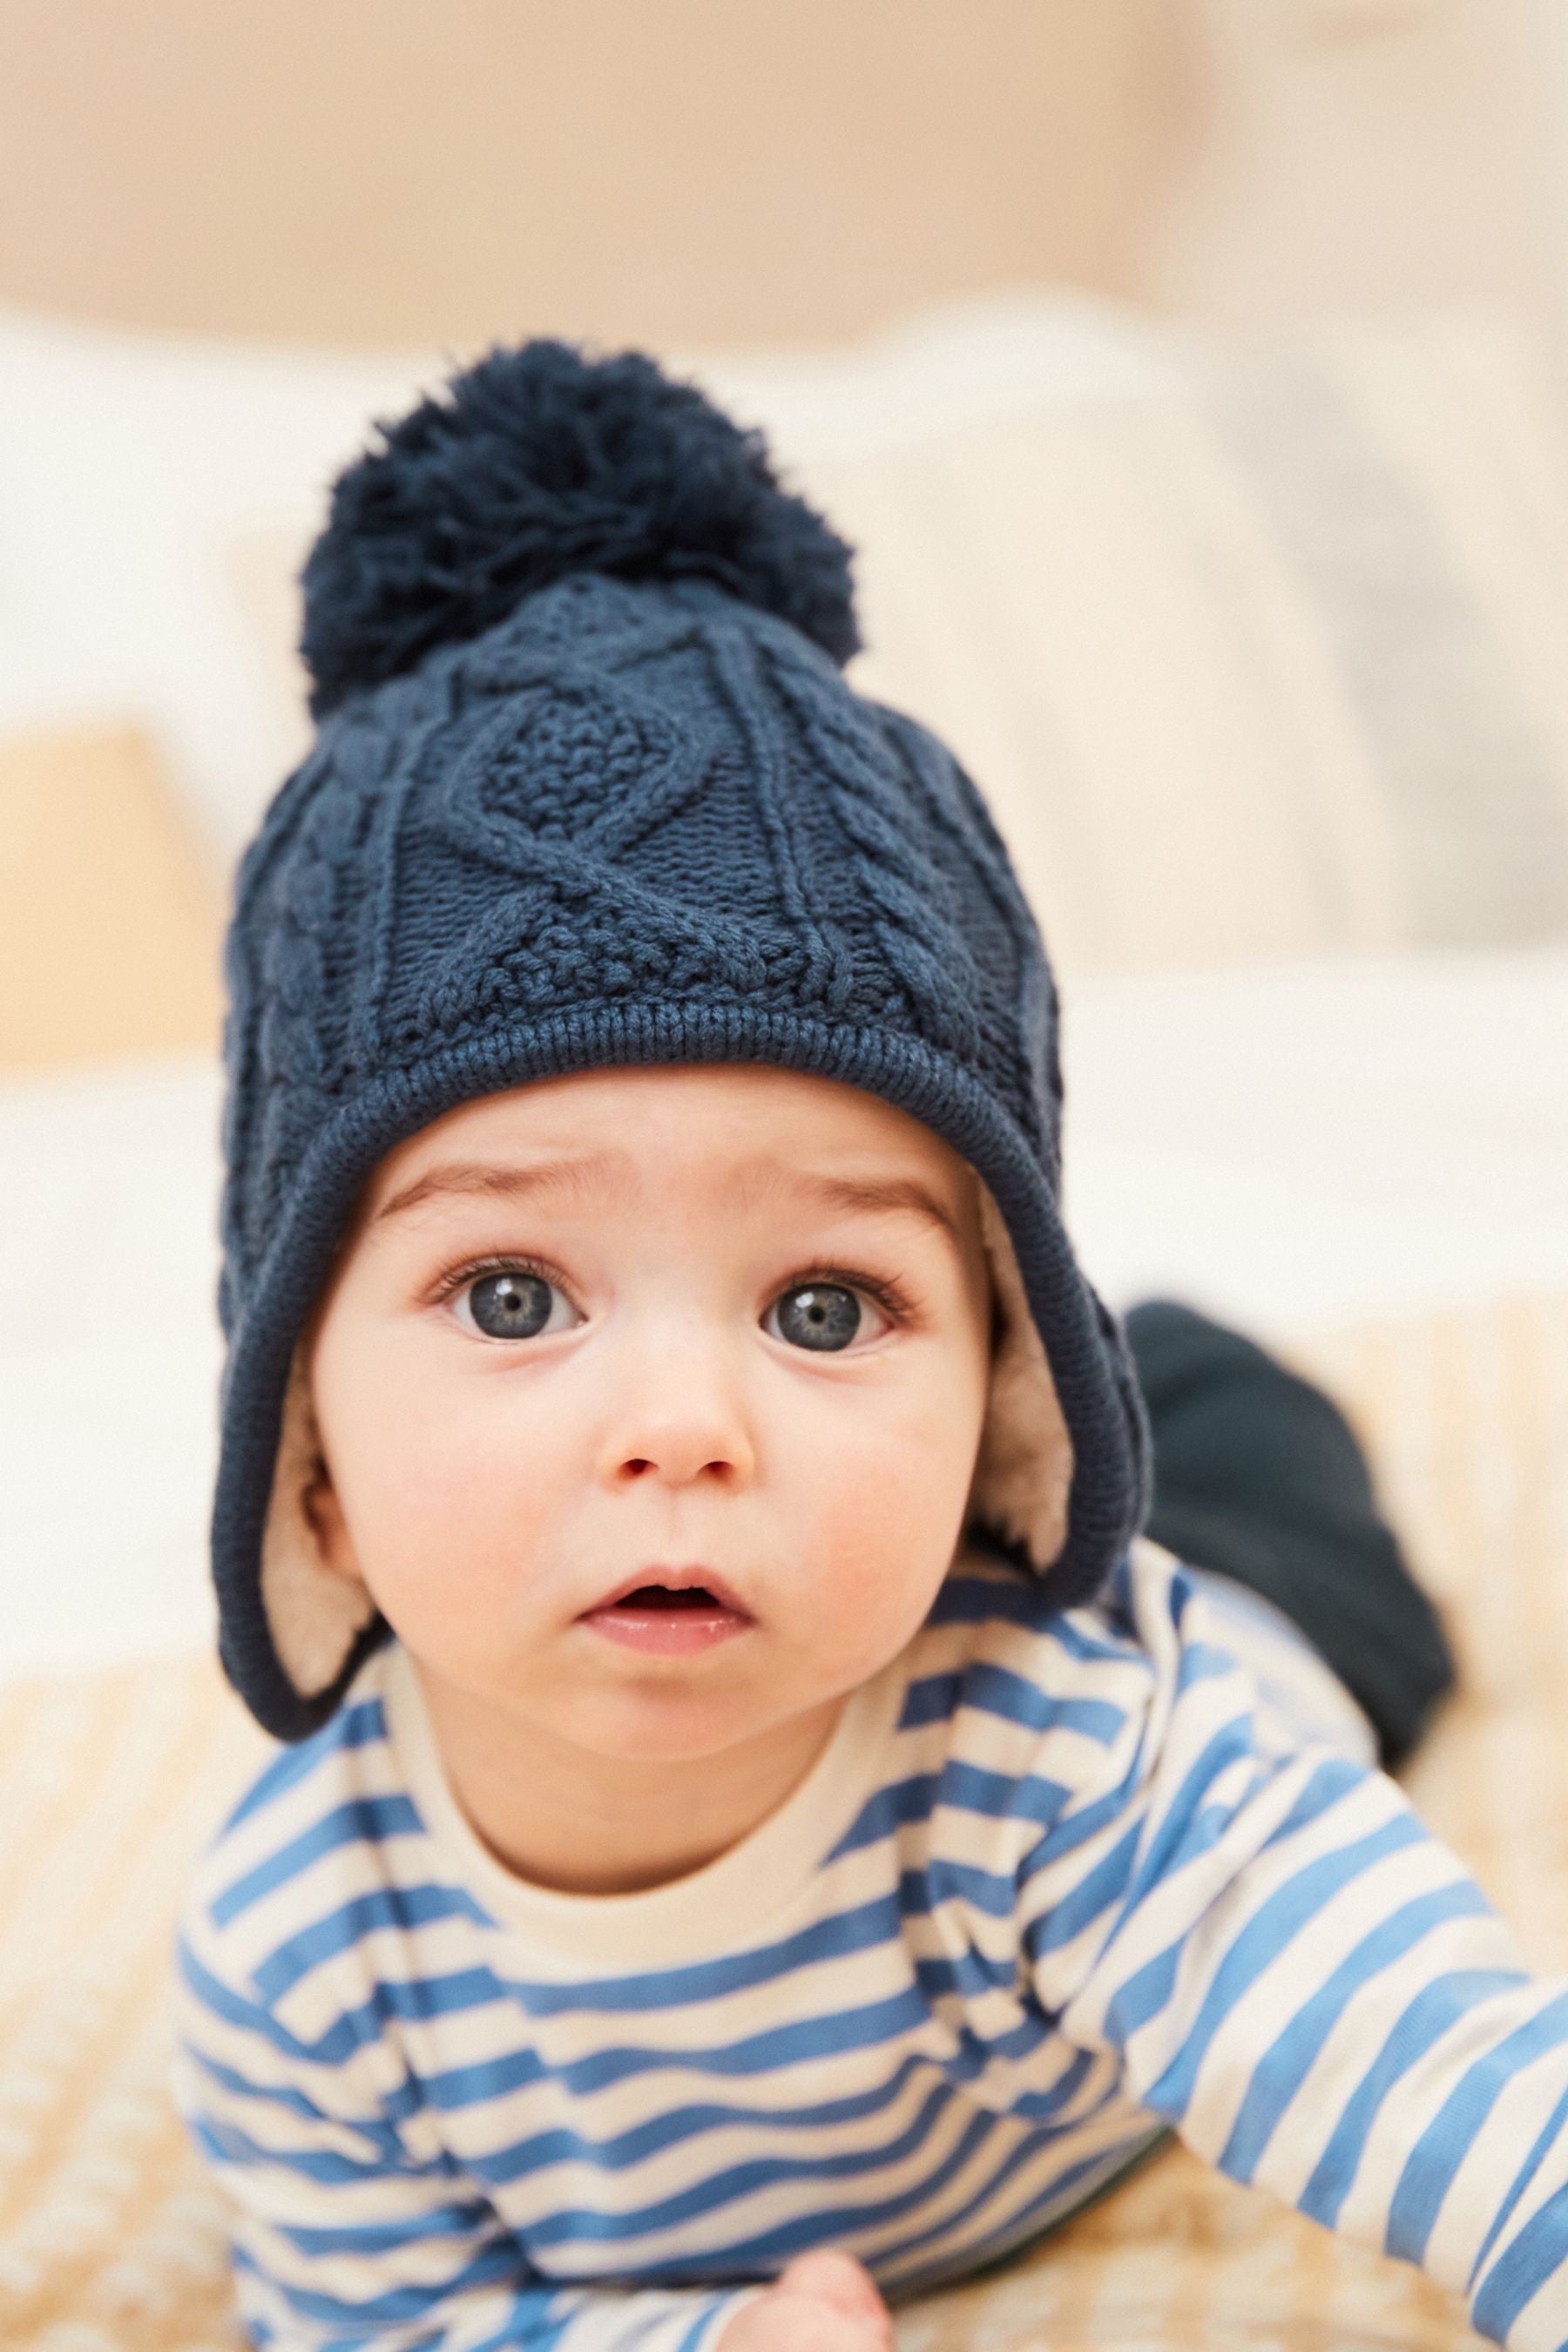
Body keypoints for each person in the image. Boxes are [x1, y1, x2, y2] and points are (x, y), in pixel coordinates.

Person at [174, 342, 1557, 2352]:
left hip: (1250, 1620)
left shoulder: (1078, 1752)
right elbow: (378, 2330)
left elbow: (1469, 2089)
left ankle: (1149, 1380)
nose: (681, 1426)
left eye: (827, 1305)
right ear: (303, 1449)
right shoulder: (307, 1953)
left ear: (999, 1390)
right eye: (512, 1297)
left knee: (1263, 1487)